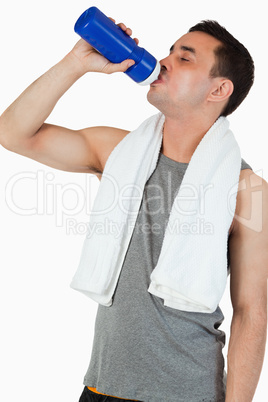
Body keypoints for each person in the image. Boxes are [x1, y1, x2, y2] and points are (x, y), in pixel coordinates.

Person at [0, 15, 267, 402]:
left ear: (219, 89)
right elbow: (13, 133)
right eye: (171, 50)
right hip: (100, 388)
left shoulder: (248, 190)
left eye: (185, 58)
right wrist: (77, 63)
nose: (165, 60)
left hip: (186, 394)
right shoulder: (117, 152)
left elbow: (250, 313)